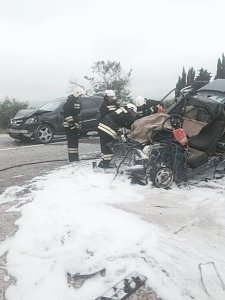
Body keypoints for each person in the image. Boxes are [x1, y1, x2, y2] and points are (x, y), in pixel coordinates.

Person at [97, 103, 137, 168]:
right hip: (108, 128)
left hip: (102, 126)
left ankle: (104, 163)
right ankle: (106, 164)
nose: (133, 115)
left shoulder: (121, 111)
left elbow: (123, 123)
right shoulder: (127, 114)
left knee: (105, 147)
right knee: (109, 146)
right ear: (131, 110)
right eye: (133, 114)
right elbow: (132, 123)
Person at [63, 87, 86, 162]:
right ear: (76, 94)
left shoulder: (76, 102)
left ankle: (75, 157)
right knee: (72, 142)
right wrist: (71, 123)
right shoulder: (70, 102)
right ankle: (72, 158)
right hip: (69, 125)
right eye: (80, 95)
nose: (80, 97)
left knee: (75, 141)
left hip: (74, 124)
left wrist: (77, 123)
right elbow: (66, 113)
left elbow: (76, 114)